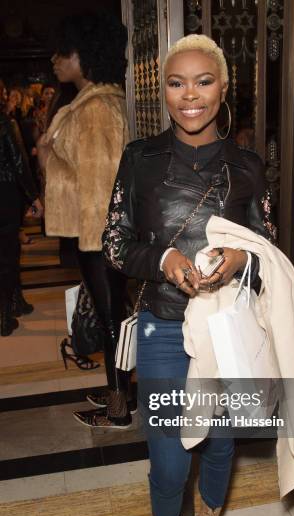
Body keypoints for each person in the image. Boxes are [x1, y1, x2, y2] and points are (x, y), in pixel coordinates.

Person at [102, 34, 272, 516]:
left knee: (220, 443)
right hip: (162, 326)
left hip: (228, 326)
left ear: (224, 89)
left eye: (203, 81)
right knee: (170, 456)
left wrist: (241, 256)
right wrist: (165, 258)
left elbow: (270, 253)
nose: (189, 95)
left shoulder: (248, 166)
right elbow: (114, 243)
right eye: (177, 82)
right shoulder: (140, 160)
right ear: (164, 91)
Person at [40, 11, 133, 428]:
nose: (56, 60)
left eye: (66, 52)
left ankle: (118, 410)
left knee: (112, 319)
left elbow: (100, 182)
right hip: (97, 232)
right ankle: (119, 388)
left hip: (98, 233)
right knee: (113, 315)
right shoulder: (94, 102)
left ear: (87, 55)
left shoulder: (95, 109)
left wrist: (47, 157)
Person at [0, 110, 43, 335]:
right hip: (5, 193)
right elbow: (18, 162)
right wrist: (33, 196)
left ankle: (16, 300)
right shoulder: (5, 122)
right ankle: (4, 315)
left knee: (9, 252)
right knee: (7, 254)